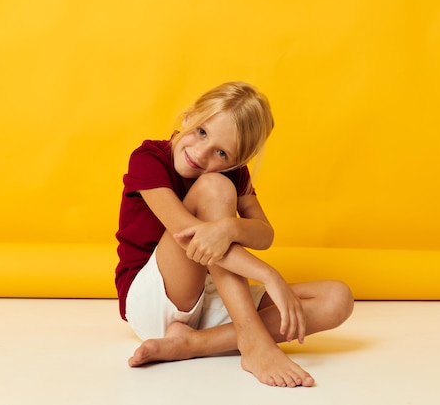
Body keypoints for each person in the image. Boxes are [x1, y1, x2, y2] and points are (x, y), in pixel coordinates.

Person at [115, 81, 353, 388]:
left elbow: (264, 234)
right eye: (201, 131)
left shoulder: (233, 174)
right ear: (189, 117)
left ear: (237, 161)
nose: (201, 154)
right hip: (154, 302)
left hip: (209, 294)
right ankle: (253, 338)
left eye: (222, 153)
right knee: (214, 187)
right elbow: (189, 237)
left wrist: (230, 227)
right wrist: (268, 274)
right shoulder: (149, 158)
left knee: (337, 299)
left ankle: (193, 344)